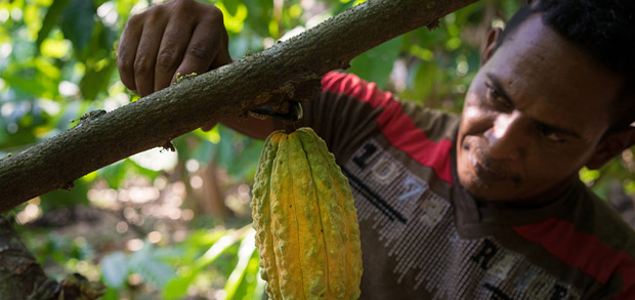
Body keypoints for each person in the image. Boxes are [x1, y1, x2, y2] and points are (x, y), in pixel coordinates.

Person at [117, 0, 635, 298]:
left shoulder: (614, 276)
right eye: (496, 96)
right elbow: (240, 89)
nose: (499, 143)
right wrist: (187, 42)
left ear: (609, 146)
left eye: (550, 133)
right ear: (489, 51)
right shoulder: (367, 121)